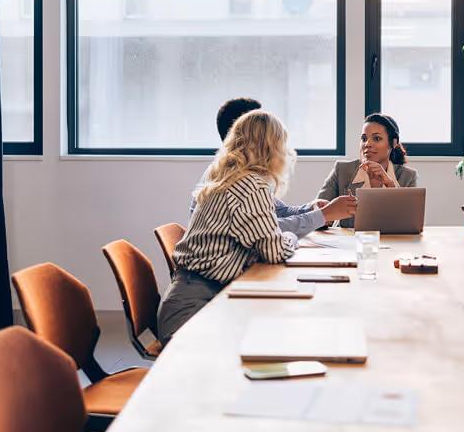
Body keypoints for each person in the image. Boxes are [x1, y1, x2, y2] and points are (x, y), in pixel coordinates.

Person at [157, 110, 352, 345]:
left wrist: (284, 230)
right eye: (283, 145)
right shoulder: (250, 185)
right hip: (193, 315)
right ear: (270, 147)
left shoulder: (231, 176)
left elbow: (270, 224)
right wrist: (289, 235)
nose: (287, 152)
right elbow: (275, 251)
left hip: (195, 299)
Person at [190, 98, 357, 234]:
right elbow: (270, 228)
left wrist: (312, 208)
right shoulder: (237, 179)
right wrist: (322, 215)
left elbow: (279, 212)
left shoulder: (243, 172)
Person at [317, 113, 418, 228]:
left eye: (376, 138)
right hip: (348, 242)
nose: (368, 144)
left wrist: (389, 184)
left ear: (393, 143)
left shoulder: (408, 176)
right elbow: (316, 211)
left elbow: (410, 223)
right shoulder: (342, 170)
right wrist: (323, 214)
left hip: (391, 243)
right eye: (364, 138)